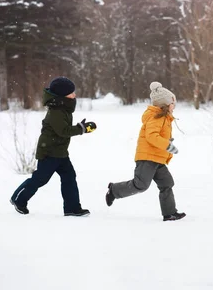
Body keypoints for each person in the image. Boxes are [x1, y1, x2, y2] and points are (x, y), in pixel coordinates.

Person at [10, 76, 97, 217]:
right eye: (71, 92)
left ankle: (72, 208)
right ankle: (18, 199)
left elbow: (64, 129)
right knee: (40, 179)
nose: (74, 95)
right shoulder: (56, 111)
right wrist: (82, 129)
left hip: (60, 152)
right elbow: (63, 131)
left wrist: (81, 128)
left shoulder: (62, 108)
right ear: (63, 95)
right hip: (50, 153)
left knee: (69, 177)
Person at [105, 82, 185, 221]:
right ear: (164, 105)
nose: (174, 106)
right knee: (140, 185)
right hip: (147, 158)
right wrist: (167, 145)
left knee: (167, 183)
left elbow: (159, 136)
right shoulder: (156, 117)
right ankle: (114, 190)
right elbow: (152, 136)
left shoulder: (165, 118)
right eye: (173, 103)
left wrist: (166, 142)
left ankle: (169, 213)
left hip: (158, 158)